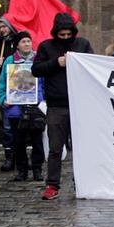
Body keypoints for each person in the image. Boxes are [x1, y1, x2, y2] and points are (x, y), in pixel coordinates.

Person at [32, 12, 91, 201]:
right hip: (56, 105)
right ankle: (52, 184)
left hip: (79, 103)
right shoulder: (46, 47)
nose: (65, 38)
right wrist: (56, 63)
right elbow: (36, 69)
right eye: (62, 34)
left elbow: (93, 65)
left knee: (82, 147)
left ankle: (81, 181)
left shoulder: (82, 44)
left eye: (68, 34)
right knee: (55, 147)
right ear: (56, 32)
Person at [0, 30, 45, 181]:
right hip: (15, 108)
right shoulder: (10, 61)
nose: (27, 44)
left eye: (29, 41)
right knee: (19, 141)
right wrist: (4, 99)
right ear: (17, 45)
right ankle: (22, 170)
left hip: (34, 106)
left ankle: (37, 169)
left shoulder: (38, 59)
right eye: (23, 41)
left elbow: (44, 82)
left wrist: (42, 99)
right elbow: (2, 82)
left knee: (37, 140)